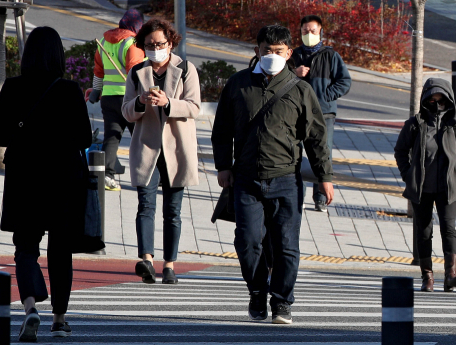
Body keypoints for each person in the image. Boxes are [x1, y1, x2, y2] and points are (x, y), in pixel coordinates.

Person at [211, 25, 333, 324]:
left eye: (279, 51)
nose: (272, 55)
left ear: (289, 53)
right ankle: (256, 291)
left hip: (286, 180)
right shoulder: (238, 84)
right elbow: (222, 129)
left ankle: (281, 302)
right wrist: (223, 166)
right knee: (248, 241)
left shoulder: (300, 89)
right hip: (246, 178)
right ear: (257, 50)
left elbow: (316, 137)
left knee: (286, 247)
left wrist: (324, 177)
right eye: (267, 50)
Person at [0, 27, 92, 341]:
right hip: (64, 179)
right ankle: (60, 319)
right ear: (58, 55)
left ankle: (31, 307)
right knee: (61, 251)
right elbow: (85, 139)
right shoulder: (70, 90)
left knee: (25, 247)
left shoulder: (12, 87)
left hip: (25, 178)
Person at [122, 19, 200, 285]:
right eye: (149, 45)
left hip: (176, 148)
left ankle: (169, 264)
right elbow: (126, 111)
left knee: (173, 210)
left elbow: (194, 108)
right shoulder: (137, 72)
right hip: (146, 147)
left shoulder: (186, 69)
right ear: (142, 46)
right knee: (145, 204)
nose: (155, 49)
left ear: (171, 42)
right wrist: (140, 102)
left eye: (160, 44)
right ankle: (146, 260)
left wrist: (169, 103)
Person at [394, 78, 456, 293]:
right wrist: (408, 175)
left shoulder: (455, 124)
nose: (436, 105)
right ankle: (427, 276)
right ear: (424, 100)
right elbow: (401, 151)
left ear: (449, 101)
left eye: (441, 101)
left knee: (449, 229)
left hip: (448, 188)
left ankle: (451, 275)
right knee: (424, 231)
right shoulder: (415, 124)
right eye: (431, 100)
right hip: (422, 188)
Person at [290, 15, 351, 212]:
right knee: (294, 153)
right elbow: (280, 78)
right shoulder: (293, 55)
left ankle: (320, 197)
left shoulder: (331, 56)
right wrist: (294, 73)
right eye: (305, 31)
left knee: (322, 152)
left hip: (324, 114)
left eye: (313, 31)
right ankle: (296, 194)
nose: (309, 35)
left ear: (320, 32)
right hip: (297, 113)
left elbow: (345, 82)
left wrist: (326, 95)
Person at [89, 9, 145, 191]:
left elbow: (99, 70)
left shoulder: (105, 41)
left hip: (108, 98)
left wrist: (96, 91)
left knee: (112, 137)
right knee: (140, 138)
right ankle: (147, 175)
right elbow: (135, 72)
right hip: (129, 99)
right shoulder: (133, 43)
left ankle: (106, 176)